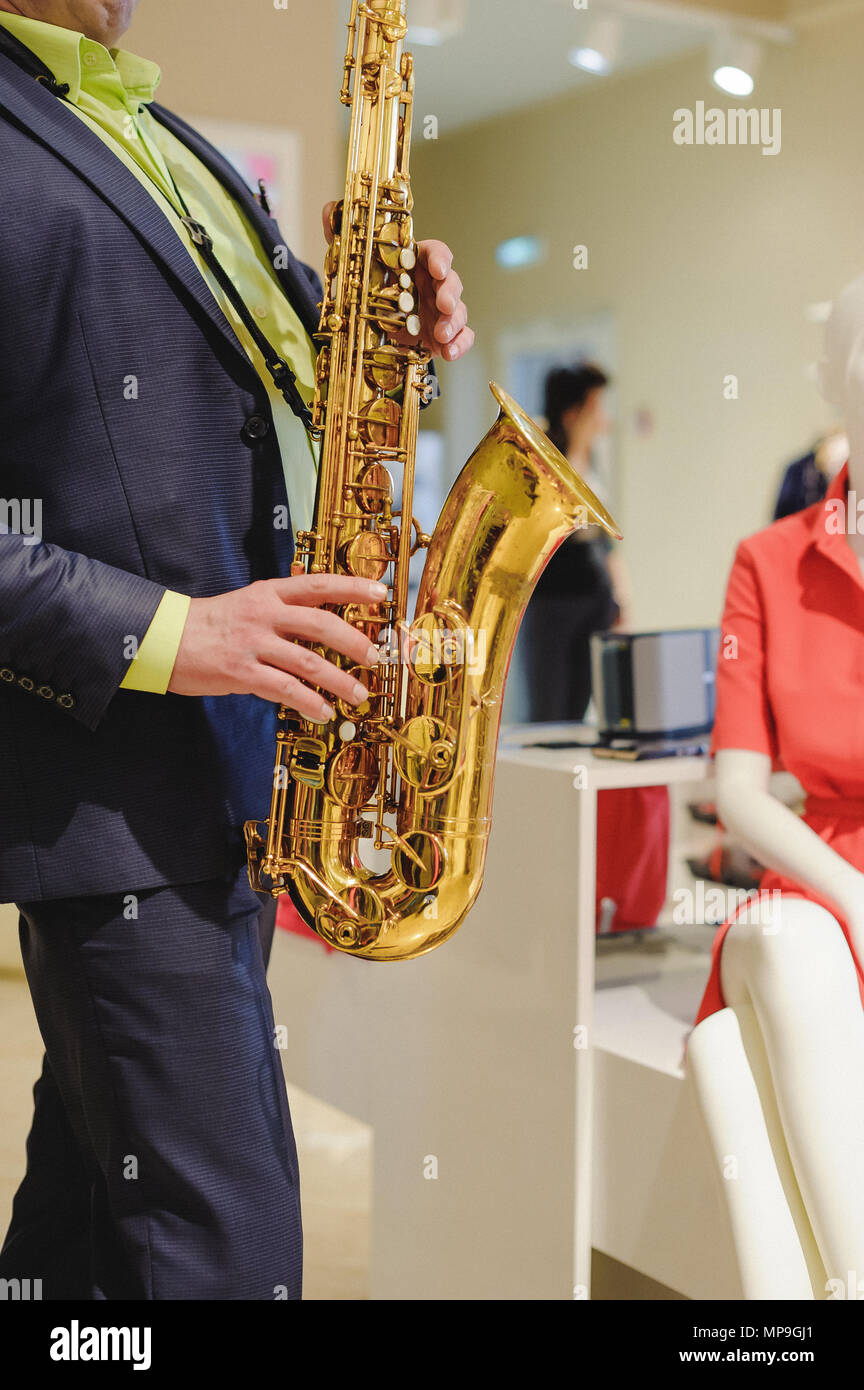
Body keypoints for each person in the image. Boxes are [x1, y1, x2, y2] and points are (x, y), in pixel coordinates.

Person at [0, 0, 473, 1301]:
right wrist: (184, 631)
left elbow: (240, 400)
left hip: (230, 779)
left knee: (84, 1240)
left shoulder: (162, 133)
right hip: (124, 803)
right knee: (228, 1257)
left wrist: (376, 332)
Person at [687, 275, 864, 1299]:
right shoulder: (769, 560)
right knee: (791, 943)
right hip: (814, 877)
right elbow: (739, 790)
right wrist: (848, 895)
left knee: (739, 1046)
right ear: (832, 376)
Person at [520, 361, 630, 724]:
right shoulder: (545, 457)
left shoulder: (594, 460)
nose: (604, 417)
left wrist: (622, 597)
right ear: (573, 413)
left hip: (593, 599)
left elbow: (605, 540)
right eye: (596, 406)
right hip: (553, 602)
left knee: (582, 706)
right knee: (549, 708)